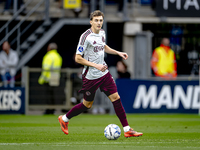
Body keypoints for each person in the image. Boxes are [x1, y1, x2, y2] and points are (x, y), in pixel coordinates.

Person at [58, 10, 143, 138]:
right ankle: (64, 119)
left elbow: (103, 46)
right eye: (96, 20)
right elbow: (77, 58)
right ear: (91, 21)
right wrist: (96, 65)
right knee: (87, 105)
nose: (99, 23)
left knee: (116, 98)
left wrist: (118, 52)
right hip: (90, 76)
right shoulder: (85, 36)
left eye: (101, 20)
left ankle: (127, 129)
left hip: (104, 74)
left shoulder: (102, 32)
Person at [38, 43, 62, 114]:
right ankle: (53, 109)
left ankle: (49, 110)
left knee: (48, 95)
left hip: (48, 78)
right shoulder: (58, 56)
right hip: (56, 77)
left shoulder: (48, 56)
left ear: (49, 48)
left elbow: (46, 69)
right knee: (53, 94)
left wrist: (42, 79)